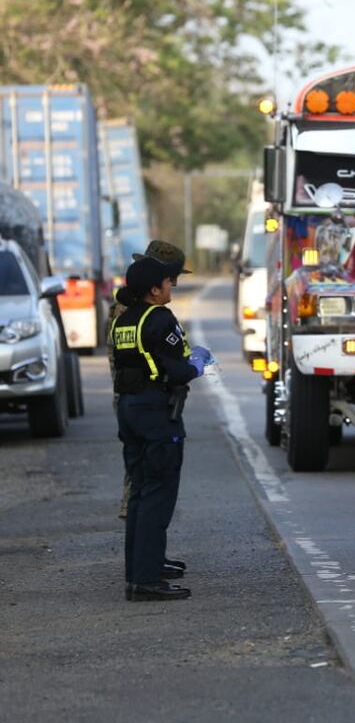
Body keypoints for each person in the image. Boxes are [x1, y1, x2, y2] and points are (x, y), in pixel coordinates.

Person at [111, 256, 210, 601]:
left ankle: (137, 573)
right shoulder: (160, 318)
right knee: (158, 493)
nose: (172, 287)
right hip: (155, 412)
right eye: (168, 282)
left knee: (140, 492)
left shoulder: (123, 321)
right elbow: (178, 369)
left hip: (129, 409)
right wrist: (198, 362)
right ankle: (147, 580)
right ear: (154, 290)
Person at [110, 240, 191, 531]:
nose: (175, 284)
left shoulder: (140, 307)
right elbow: (143, 357)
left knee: (145, 489)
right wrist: (186, 366)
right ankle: (145, 563)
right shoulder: (136, 310)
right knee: (147, 489)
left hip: (137, 398)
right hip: (143, 398)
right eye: (171, 278)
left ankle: (147, 558)